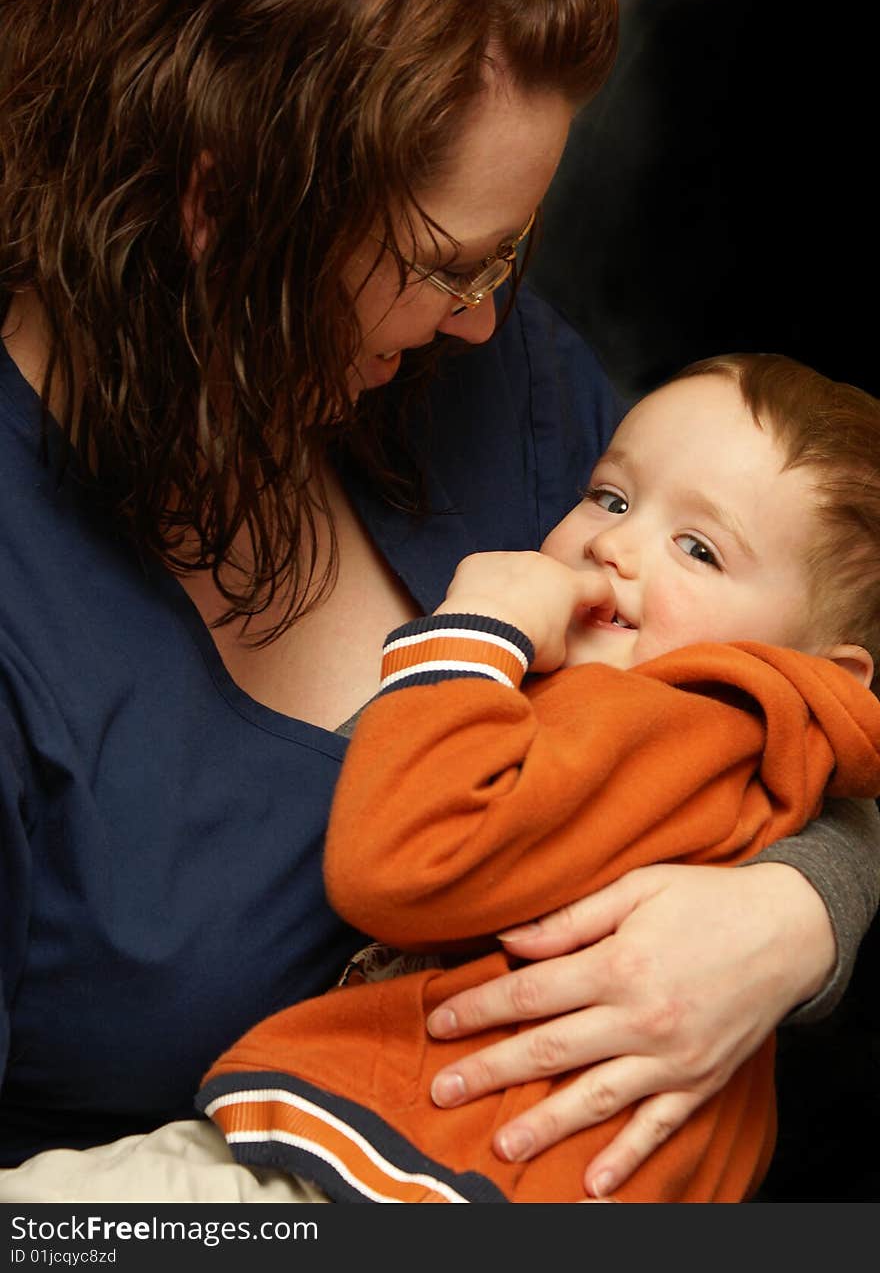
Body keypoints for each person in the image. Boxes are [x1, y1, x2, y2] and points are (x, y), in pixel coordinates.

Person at [0, 0, 877, 1204]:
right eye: (444, 266)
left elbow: (782, 683)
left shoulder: (496, 393)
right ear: (219, 205)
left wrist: (802, 914)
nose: (480, 321)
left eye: (507, 259)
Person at [198, 353, 880, 1202]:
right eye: (612, 497)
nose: (613, 543)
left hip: (399, 1174)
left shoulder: (673, 715)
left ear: (823, 676)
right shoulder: (740, 764)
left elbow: (404, 859)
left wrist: (474, 633)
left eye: (698, 549)